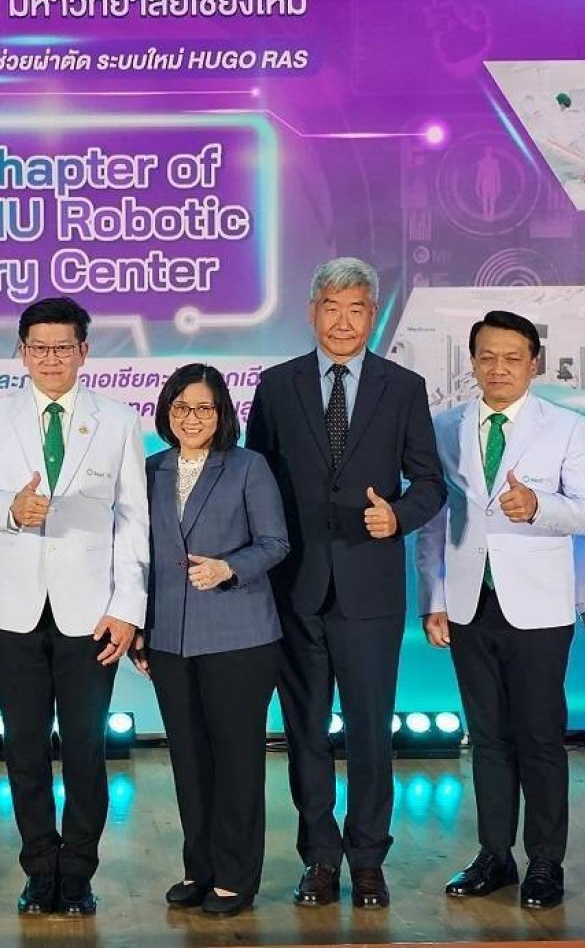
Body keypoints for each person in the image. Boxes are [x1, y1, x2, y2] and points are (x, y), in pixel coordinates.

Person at [246, 257, 446, 909]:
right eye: (330, 307)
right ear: (311, 312)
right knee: (304, 731)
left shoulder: (403, 387)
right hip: (294, 589)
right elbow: (254, 482)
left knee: (369, 732)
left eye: (355, 309)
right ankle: (319, 858)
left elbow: (430, 482)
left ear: (372, 315)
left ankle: (367, 860)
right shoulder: (276, 387)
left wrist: (399, 516)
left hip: (371, 589)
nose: (342, 321)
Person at [0, 296, 150, 918]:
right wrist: (10, 509)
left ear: (83, 352)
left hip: (91, 614)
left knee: (87, 746)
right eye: (38, 348)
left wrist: (128, 608)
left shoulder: (117, 421)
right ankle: (39, 869)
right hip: (13, 611)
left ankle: (79, 872)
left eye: (62, 347)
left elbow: (134, 520)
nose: (50, 358)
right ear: (21, 352)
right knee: (24, 747)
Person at [415, 311, 585, 910]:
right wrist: (433, 599)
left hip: (539, 606)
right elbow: (434, 520)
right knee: (488, 738)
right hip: (469, 601)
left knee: (540, 737)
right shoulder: (445, 426)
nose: (498, 368)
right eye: (487, 357)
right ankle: (494, 855)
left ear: (534, 364)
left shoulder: (568, 427)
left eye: (512, 358)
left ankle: (546, 861)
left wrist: (538, 506)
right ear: (472, 363)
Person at [130, 363, 289, 918]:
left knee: (237, 761)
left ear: (221, 413)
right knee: (189, 760)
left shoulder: (248, 466)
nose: (191, 418)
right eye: (181, 407)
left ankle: (235, 876)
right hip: (170, 640)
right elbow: (139, 557)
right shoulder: (150, 469)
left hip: (239, 636)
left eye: (203, 408)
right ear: (166, 413)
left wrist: (228, 567)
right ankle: (198, 868)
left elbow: (275, 542)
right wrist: (140, 628)